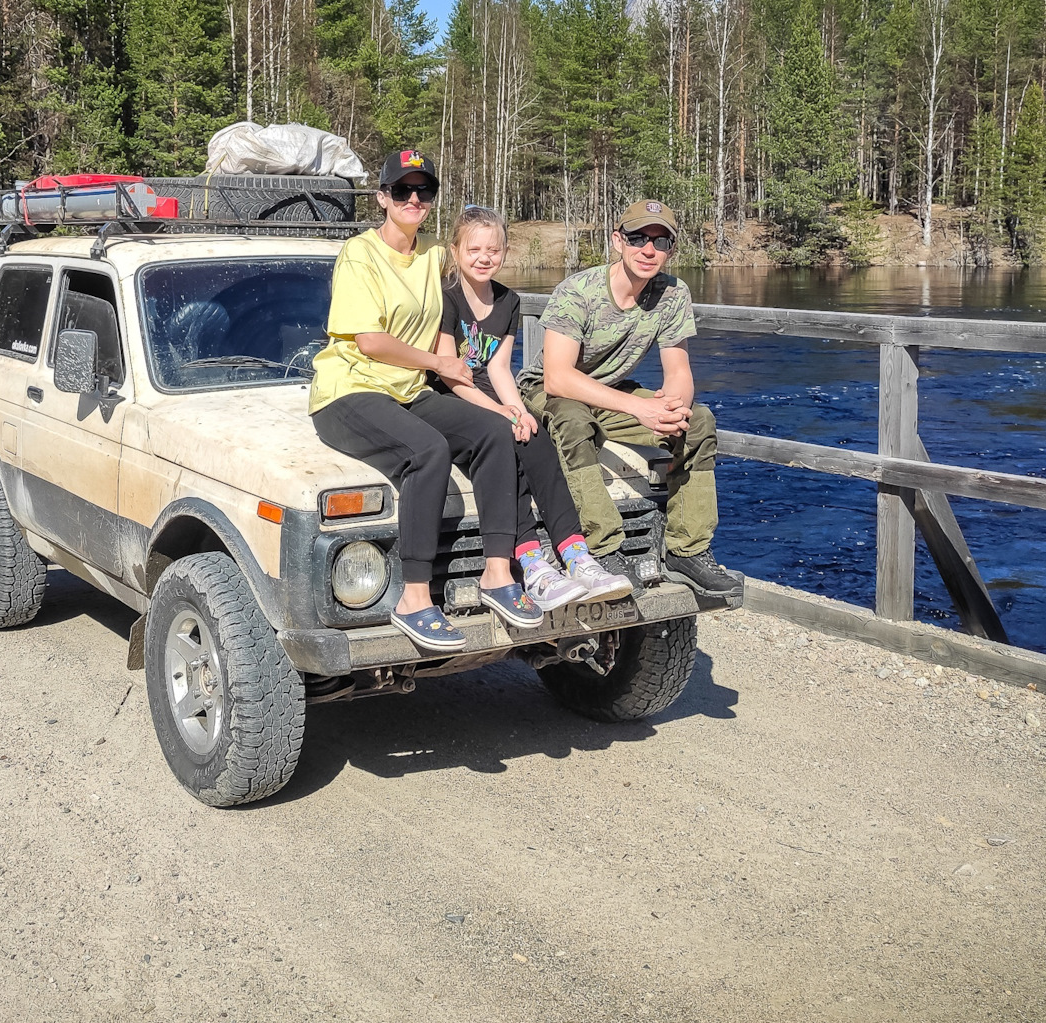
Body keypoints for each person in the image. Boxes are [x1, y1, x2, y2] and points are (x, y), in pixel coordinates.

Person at [307, 152, 543, 654]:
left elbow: (478, 263)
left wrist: (502, 386)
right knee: (428, 450)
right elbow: (369, 340)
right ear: (382, 197)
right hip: (350, 391)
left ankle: (498, 573)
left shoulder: (435, 256)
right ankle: (415, 598)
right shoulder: (359, 254)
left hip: (408, 391)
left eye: (424, 192)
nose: (413, 200)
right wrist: (442, 365)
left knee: (494, 431)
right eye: (401, 191)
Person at [517, 198, 743, 598]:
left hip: (610, 393)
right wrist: (641, 407)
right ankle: (602, 547)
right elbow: (557, 377)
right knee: (573, 421)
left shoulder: (672, 294)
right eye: (638, 238)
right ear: (618, 241)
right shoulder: (579, 291)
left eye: (660, 241)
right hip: (549, 390)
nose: (648, 250)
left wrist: (671, 409)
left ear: (672, 250)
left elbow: (678, 371)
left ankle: (687, 550)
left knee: (699, 421)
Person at [429, 206, 629, 608]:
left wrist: (518, 410)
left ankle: (575, 554)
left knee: (536, 438)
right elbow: (451, 374)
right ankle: (532, 562)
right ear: (455, 251)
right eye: (474, 249)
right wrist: (500, 414)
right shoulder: (445, 297)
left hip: (489, 391)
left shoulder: (508, 300)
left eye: (494, 249)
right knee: (506, 445)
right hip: (452, 395)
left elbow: (501, 367)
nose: (484, 257)